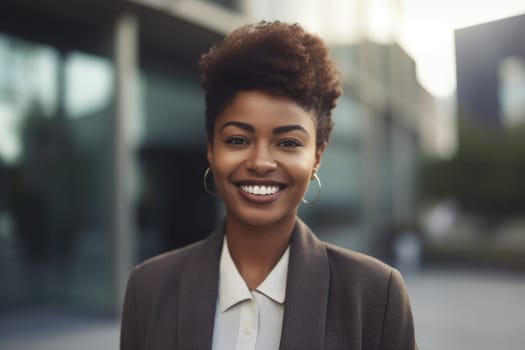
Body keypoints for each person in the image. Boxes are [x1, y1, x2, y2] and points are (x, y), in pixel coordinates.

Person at [120, 21, 418, 350]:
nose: (261, 162)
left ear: (318, 154)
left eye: (288, 143)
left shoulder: (376, 295)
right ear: (211, 148)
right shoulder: (149, 288)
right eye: (238, 139)